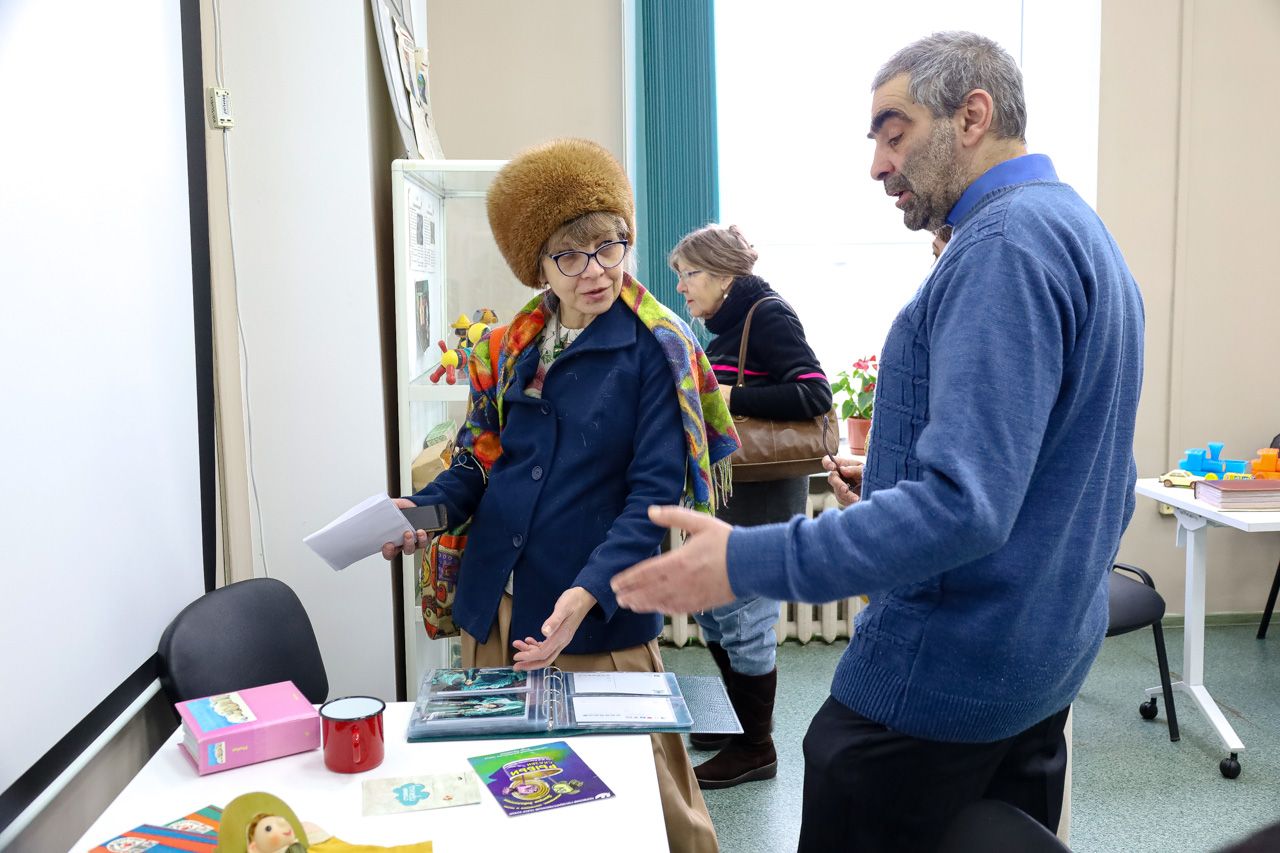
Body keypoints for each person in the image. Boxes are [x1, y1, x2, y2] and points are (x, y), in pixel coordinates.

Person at [611, 31, 1144, 852]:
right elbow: (1082, 468)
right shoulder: (1078, 229)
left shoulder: (1001, 247)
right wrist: (894, 475)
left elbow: (966, 507)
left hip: (939, 687)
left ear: (972, 116)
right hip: (1036, 670)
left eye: (894, 134)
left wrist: (746, 559)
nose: (877, 165)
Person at [383, 138, 734, 853]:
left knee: (643, 810)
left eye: (608, 246)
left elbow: (652, 500)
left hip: (594, 619)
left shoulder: (657, 349)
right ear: (536, 265)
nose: (595, 270)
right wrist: (425, 513)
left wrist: (585, 594)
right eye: (569, 255)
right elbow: (479, 463)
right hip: (496, 612)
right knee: (505, 800)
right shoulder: (508, 345)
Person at [667, 223, 832, 789]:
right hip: (729, 494)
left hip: (760, 497)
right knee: (711, 607)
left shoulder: (767, 315)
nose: (681, 287)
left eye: (688, 275)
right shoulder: (727, 325)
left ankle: (757, 747)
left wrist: (730, 395)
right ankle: (740, 724)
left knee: (745, 615)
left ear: (722, 274)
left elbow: (814, 392)